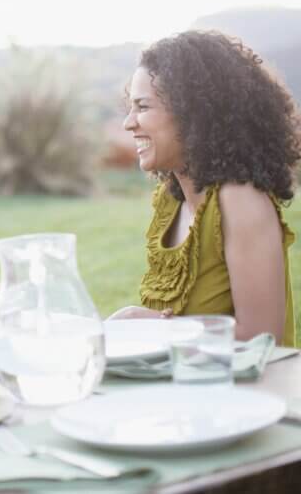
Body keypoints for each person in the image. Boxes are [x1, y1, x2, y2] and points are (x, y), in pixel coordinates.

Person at [115, 30, 300, 345]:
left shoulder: (240, 201)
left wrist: (153, 329)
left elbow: (261, 340)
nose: (128, 123)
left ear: (193, 114)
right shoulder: (170, 200)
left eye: (143, 107)